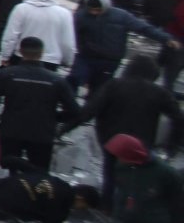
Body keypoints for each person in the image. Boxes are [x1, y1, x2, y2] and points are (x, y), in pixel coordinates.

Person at [76, 55, 182, 207]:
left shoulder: (113, 85)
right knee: (138, 180)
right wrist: (172, 146)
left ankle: (107, 208)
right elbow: (177, 117)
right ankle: (132, 209)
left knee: (110, 176)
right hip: (142, 144)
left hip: (112, 141)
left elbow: (90, 110)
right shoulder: (158, 92)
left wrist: (65, 127)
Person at [0, 37, 79, 170]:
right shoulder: (56, 80)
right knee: (39, 175)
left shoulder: (6, 74)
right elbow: (74, 110)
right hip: (42, 133)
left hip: (11, 130)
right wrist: (55, 118)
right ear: (42, 53)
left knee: (8, 171)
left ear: (20, 51)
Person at [71, 0, 178, 99]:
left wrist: (166, 38)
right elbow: (72, 33)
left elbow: (143, 28)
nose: (94, 13)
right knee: (74, 79)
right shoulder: (81, 16)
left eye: (98, 10)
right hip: (86, 57)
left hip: (109, 60)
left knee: (98, 90)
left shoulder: (121, 16)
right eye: (91, 10)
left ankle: (87, 110)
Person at [0, 0, 77, 68]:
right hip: (50, 61)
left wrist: (5, 56)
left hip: (22, 57)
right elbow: (67, 43)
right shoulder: (64, 13)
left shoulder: (21, 9)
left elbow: (11, 36)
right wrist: (68, 61)